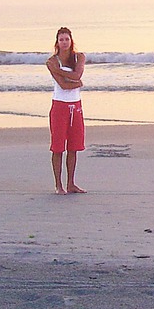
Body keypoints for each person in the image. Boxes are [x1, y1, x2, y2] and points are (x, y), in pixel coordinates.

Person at [47, 27, 87, 194]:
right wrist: (75, 83)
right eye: (61, 39)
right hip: (59, 107)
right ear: (57, 42)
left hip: (75, 107)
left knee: (74, 146)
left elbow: (77, 75)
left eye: (67, 39)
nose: (64, 42)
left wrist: (61, 73)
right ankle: (59, 185)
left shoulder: (79, 57)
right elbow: (63, 85)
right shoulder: (53, 60)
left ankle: (71, 183)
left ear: (71, 41)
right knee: (58, 148)